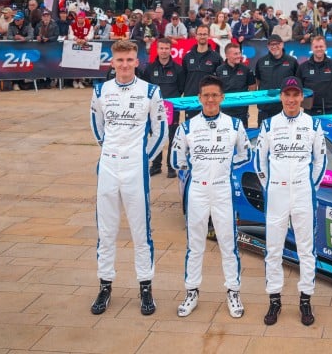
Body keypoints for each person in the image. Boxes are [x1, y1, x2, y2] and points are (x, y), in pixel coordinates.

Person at [89, 39, 168, 316]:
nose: (124, 65)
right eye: (120, 60)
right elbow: (97, 126)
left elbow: (161, 131)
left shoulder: (150, 91)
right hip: (108, 169)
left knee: (141, 232)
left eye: (129, 60)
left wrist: (144, 159)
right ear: (112, 62)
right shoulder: (101, 90)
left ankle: (145, 286)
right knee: (106, 231)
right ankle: (105, 285)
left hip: (136, 170)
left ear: (137, 61)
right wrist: (110, 151)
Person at [171, 76, 250, 319]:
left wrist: (224, 167)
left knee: (228, 243)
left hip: (222, 190)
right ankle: (191, 291)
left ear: (222, 98)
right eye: (206, 95)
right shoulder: (187, 127)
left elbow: (245, 154)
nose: (210, 99)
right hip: (198, 191)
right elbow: (176, 160)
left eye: (215, 95)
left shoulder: (235, 125)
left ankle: (233, 292)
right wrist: (196, 170)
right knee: (195, 245)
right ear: (199, 98)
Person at [254, 77, 326, 327]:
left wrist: (310, 185)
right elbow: (259, 161)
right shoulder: (269, 124)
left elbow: (320, 160)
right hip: (277, 194)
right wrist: (270, 185)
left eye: (296, 95)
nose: (292, 99)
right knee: (273, 249)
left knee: (306, 250)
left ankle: (305, 300)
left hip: (303, 193)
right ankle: (274, 299)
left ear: (301, 97)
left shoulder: (313, 124)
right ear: (281, 97)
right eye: (288, 94)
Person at [140, 38, 185, 177]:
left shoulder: (178, 69)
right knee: (156, 136)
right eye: (161, 48)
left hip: (172, 110)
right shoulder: (149, 68)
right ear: (157, 49)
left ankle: (171, 166)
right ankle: (156, 165)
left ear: (170, 49)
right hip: (154, 109)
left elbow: (181, 87)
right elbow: (146, 88)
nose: (164, 51)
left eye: (166, 48)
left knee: (172, 137)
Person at [254, 34, 300, 123]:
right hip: (265, 108)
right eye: (271, 44)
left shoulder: (292, 61)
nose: (274, 46)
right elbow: (258, 81)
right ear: (268, 46)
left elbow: (297, 82)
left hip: (285, 108)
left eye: (277, 44)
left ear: (282, 44)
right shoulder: (261, 62)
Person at [180, 24, 223, 117]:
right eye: (200, 34)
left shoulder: (217, 58)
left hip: (209, 101)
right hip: (191, 101)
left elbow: (220, 81)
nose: (202, 36)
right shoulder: (187, 57)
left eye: (205, 34)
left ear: (209, 36)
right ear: (195, 36)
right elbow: (182, 79)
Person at [297, 35, 332, 115]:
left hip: (329, 109)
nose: (319, 49)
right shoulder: (303, 67)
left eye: (321, 46)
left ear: (325, 47)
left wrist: (331, 96)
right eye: (316, 47)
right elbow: (299, 87)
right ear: (312, 48)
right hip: (309, 110)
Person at [215, 42, 257, 126]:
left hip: (241, 112)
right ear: (227, 55)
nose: (239, 56)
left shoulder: (246, 70)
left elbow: (253, 88)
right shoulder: (219, 70)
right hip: (224, 111)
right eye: (235, 54)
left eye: (239, 53)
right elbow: (216, 89)